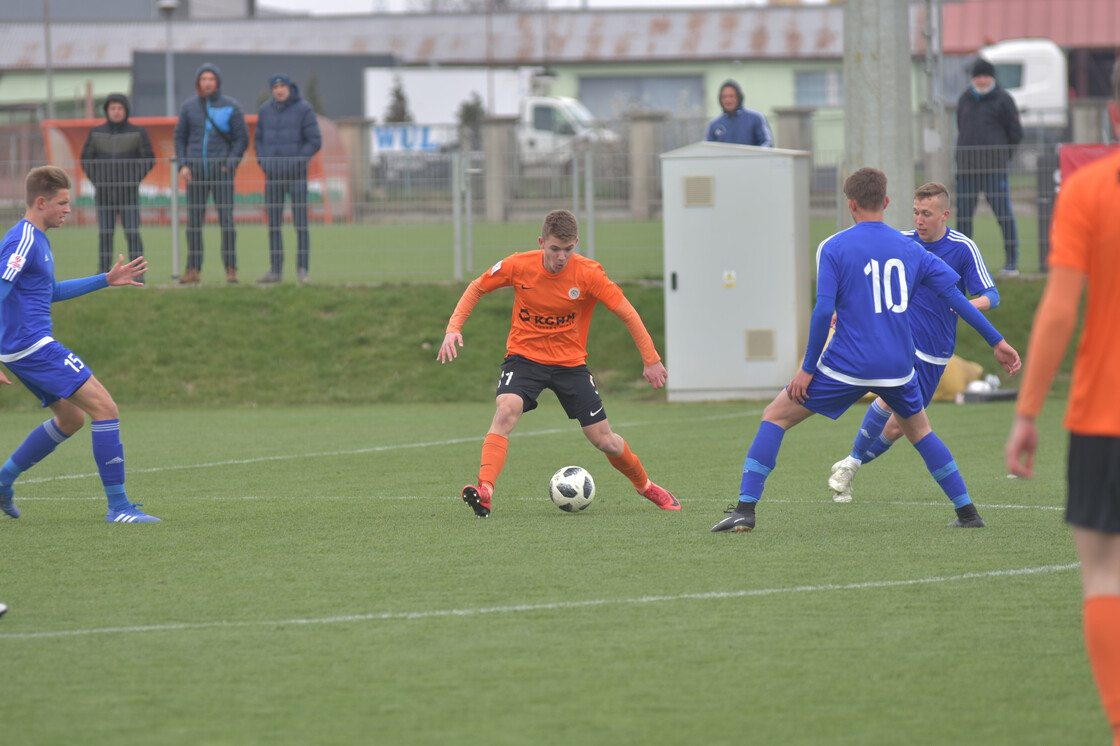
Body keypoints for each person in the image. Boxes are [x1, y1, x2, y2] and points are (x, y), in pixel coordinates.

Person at [712, 167, 1020, 534]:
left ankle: (745, 510)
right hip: (898, 366)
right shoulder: (911, 249)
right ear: (887, 202)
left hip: (847, 363)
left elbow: (824, 310)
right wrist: (997, 342)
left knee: (776, 415)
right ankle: (968, 513)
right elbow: (956, 298)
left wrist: (807, 368)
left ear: (851, 204)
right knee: (921, 432)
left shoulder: (834, 246)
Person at [1005, 61, 1120, 746]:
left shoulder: (1089, 190)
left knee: (1103, 572)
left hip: (1104, 419)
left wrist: (1025, 413)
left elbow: (1057, 311)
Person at [437, 209, 680, 518]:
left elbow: (627, 312)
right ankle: (485, 490)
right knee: (505, 412)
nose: (561, 257)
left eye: (568, 249)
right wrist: (453, 327)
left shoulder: (589, 274)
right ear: (542, 243)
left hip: (570, 364)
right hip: (524, 358)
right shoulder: (518, 265)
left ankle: (646, 486)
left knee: (605, 440)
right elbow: (477, 287)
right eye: (554, 249)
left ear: (576, 243)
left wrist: (651, 360)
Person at [0, 166, 156, 523]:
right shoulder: (23, 239)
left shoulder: (37, 238)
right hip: (33, 346)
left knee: (71, 418)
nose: (68, 209)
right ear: (41, 202)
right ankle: (119, 508)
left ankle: (4, 480)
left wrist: (106, 279)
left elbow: (47, 292)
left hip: (22, 348)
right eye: (62, 202)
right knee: (105, 407)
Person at [827, 182, 1001, 502]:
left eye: (927, 214)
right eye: (916, 213)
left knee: (896, 429)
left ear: (944, 215)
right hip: (902, 342)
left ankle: (850, 466)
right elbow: (866, 279)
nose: (919, 220)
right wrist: (842, 308)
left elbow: (992, 295)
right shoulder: (903, 243)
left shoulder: (962, 248)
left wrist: (966, 305)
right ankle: (851, 465)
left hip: (936, 352)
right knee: (889, 399)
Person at [174, 63, 248, 285]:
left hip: (222, 174)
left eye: (211, 79)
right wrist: (183, 165)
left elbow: (242, 139)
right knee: (194, 223)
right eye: (203, 79)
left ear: (217, 82)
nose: (207, 82)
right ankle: (193, 269)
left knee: (227, 222)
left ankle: (231, 269)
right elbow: (180, 138)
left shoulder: (231, 106)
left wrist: (230, 163)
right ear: (198, 82)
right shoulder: (188, 107)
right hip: (195, 174)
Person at [955, 57, 1023, 276]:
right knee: (963, 217)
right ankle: (963, 265)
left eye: (985, 76)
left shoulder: (1004, 100)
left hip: (994, 169)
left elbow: (1015, 133)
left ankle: (1011, 262)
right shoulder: (964, 99)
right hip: (967, 169)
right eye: (978, 76)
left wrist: (1002, 157)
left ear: (992, 78)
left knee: (1003, 214)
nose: (982, 80)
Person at [255, 73, 322, 285]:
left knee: (301, 225)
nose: (279, 90)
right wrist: (264, 163)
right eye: (275, 87)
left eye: (283, 86)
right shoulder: (265, 111)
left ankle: (303, 270)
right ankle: (275, 271)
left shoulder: (304, 109)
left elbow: (314, 141)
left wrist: (297, 162)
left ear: (290, 88)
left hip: (296, 177)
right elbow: (258, 141)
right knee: (273, 225)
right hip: (272, 177)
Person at [79, 93, 154, 280]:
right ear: (107, 111)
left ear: (126, 110)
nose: (116, 112)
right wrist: (97, 180)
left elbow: (149, 158)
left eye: (120, 108)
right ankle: (102, 274)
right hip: (103, 193)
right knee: (105, 234)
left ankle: (138, 274)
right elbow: (86, 159)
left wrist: (133, 179)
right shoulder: (96, 133)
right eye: (113, 108)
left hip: (129, 193)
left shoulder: (138, 132)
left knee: (132, 233)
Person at [705, 79, 773, 147]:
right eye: (724, 97)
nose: (728, 100)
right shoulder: (714, 124)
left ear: (739, 97)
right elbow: (707, 148)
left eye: (731, 96)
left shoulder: (756, 118)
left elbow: (767, 143)